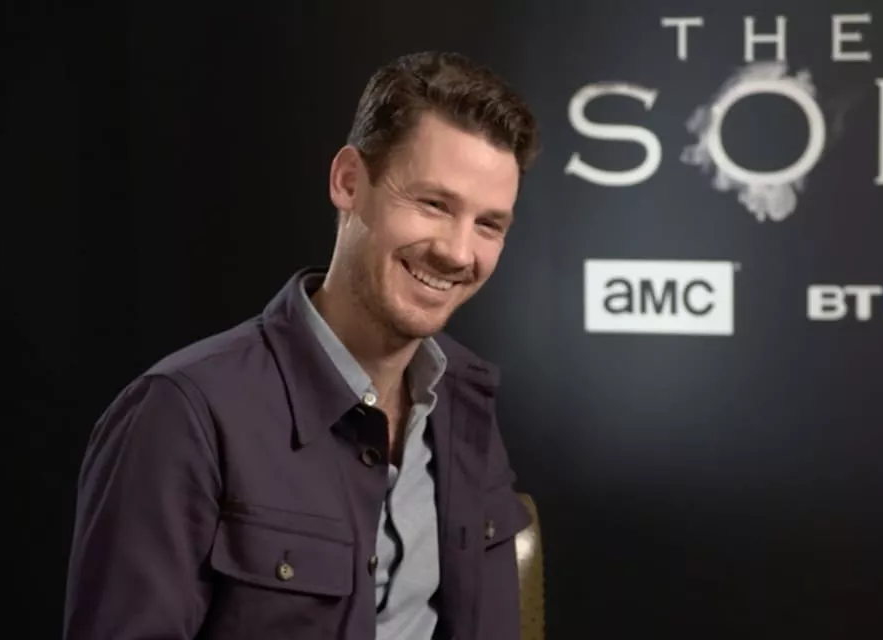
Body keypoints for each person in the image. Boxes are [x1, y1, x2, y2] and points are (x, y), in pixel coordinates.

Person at [62, 51, 540, 640]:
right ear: (349, 182)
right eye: (433, 204)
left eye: (488, 224)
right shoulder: (183, 415)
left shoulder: (465, 401)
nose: (458, 252)